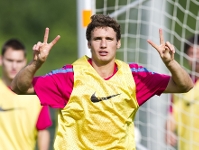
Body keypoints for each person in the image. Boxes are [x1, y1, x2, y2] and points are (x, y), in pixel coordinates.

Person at [11, 14, 193, 149]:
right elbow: (19, 87)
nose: (103, 45)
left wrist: (170, 62)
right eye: (97, 39)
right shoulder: (70, 76)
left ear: (118, 43)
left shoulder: (134, 76)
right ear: (89, 44)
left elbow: (185, 85)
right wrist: (36, 63)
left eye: (109, 39)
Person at [0, 39, 52, 150]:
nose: (14, 66)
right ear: (1, 60)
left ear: (25, 62)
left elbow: (42, 130)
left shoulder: (36, 94)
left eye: (18, 61)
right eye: (10, 60)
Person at [165, 34, 199, 150]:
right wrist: (169, 131)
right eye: (192, 53)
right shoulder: (181, 84)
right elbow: (172, 114)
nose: (196, 58)